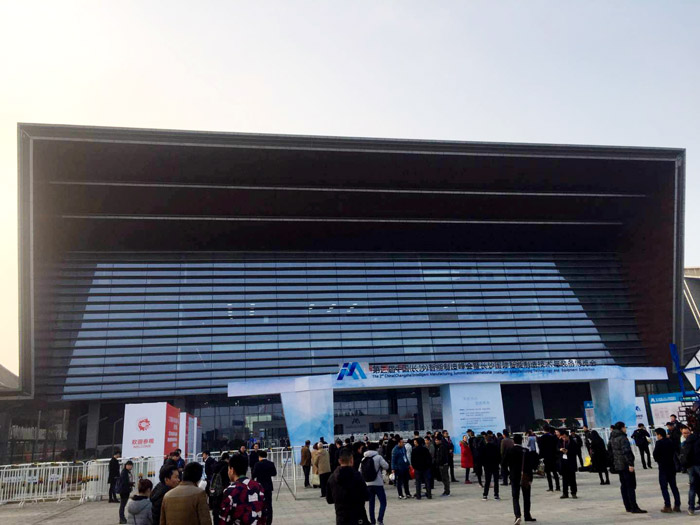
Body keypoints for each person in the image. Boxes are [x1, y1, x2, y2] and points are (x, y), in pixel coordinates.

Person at [608, 421, 647, 514]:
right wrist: (630, 464)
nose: (625, 429)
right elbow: (626, 452)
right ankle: (634, 507)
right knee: (630, 486)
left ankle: (628, 506)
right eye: (625, 427)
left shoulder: (611, 438)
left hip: (618, 465)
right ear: (622, 428)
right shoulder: (622, 438)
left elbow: (610, 452)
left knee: (623, 485)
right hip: (625, 465)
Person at [219, 453, 266, 525]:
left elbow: (224, 519)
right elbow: (264, 513)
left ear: (232, 470)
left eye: (228, 469)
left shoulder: (230, 490)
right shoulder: (258, 486)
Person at [326, 447, 369, 525]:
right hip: (357, 515)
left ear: (339, 461)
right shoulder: (357, 476)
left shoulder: (332, 478)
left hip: (341, 517)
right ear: (351, 460)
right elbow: (366, 495)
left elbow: (329, 499)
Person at [505, 434, 538, 524]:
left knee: (515, 497)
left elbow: (504, 463)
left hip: (514, 476)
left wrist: (508, 473)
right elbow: (530, 466)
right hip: (525, 476)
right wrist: (530, 478)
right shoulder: (525, 451)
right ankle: (527, 515)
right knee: (526, 496)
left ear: (513, 441)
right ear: (522, 441)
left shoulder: (510, 450)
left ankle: (517, 516)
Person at [653, 427, 681, 513]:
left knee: (664, 487)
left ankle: (667, 506)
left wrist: (659, 460)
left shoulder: (659, 443)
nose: (656, 436)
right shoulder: (670, 441)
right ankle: (677, 505)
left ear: (659, 435)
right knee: (674, 486)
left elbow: (655, 454)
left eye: (656, 435)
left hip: (663, 467)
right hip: (671, 466)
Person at [362, 441, 390, 524]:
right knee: (383, 502)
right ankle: (380, 520)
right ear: (375, 449)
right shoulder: (378, 457)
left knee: (371, 504)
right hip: (378, 483)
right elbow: (386, 466)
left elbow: (360, 470)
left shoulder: (363, 458)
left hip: (368, 483)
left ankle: (372, 521)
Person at [252, 449, 277, 524]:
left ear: (259, 457)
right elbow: (274, 473)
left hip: (259, 486)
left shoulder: (257, 464)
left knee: (260, 504)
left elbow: (254, 475)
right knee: (269, 504)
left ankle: (262, 519)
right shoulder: (271, 463)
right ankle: (269, 521)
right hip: (268, 486)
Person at [681, 425, 700, 515]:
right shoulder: (697, 440)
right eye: (684, 433)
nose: (685, 435)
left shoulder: (686, 443)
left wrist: (684, 466)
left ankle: (691, 507)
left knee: (692, 487)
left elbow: (684, 456)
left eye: (686, 433)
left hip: (691, 467)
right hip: (697, 465)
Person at [209, 452, 230, 524]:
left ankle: (216, 521)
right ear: (227, 459)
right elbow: (226, 478)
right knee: (223, 505)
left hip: (215, 488)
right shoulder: (226, 466)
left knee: (216, 505)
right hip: (223, 488)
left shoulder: (216, 465)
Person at [537, 426, 560, 492]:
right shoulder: (553, 437)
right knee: (555, 472)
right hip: (553, 456)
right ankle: (558, 487)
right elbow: (556, 447)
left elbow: (540, 448)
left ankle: (551, 487)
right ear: (549, 430)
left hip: (546, 457)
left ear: (543, 430)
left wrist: (540, 457)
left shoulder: (542, 438)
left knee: (548, 473)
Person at [557, 429, 578, 499]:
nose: (564, 438)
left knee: (572, 479)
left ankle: (573, 493)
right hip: (563, 463)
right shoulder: (560, 442)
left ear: (568, 436)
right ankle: (565, 493)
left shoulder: (572, 442)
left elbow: (576, 451)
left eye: (565, 437)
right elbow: (556, 449)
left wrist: (568, 451)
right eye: (562, 437)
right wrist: (560, 449)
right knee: (564, 479)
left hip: (571, 462)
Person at [481, 433, 500, 501]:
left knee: (487, 481)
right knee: (496, 481)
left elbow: (482, 457)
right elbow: (499, 456)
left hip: (487, 466)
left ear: (486, 440)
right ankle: (496, 495)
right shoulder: (495, 447)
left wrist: (483, 464)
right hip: (495, 465)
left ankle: (485, 495)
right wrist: (498, 463)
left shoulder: (484, 447)